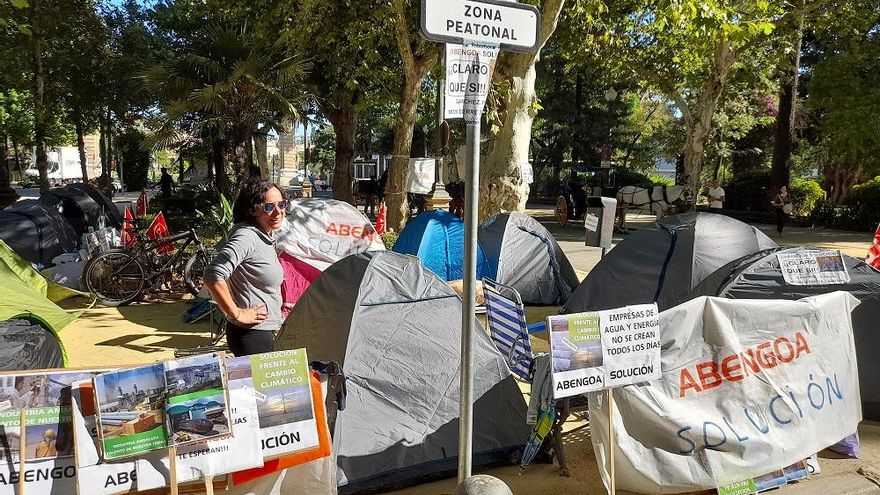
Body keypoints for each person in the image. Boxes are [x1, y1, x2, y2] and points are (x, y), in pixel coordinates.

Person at [204, 178, 286, 356]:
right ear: (251, 210)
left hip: (262, 331)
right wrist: (236, 313)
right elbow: (213, 274)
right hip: (252, 334)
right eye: (269, 207)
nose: (278, 212)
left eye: (282, 204)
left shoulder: (264, 235)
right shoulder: (247, 237)